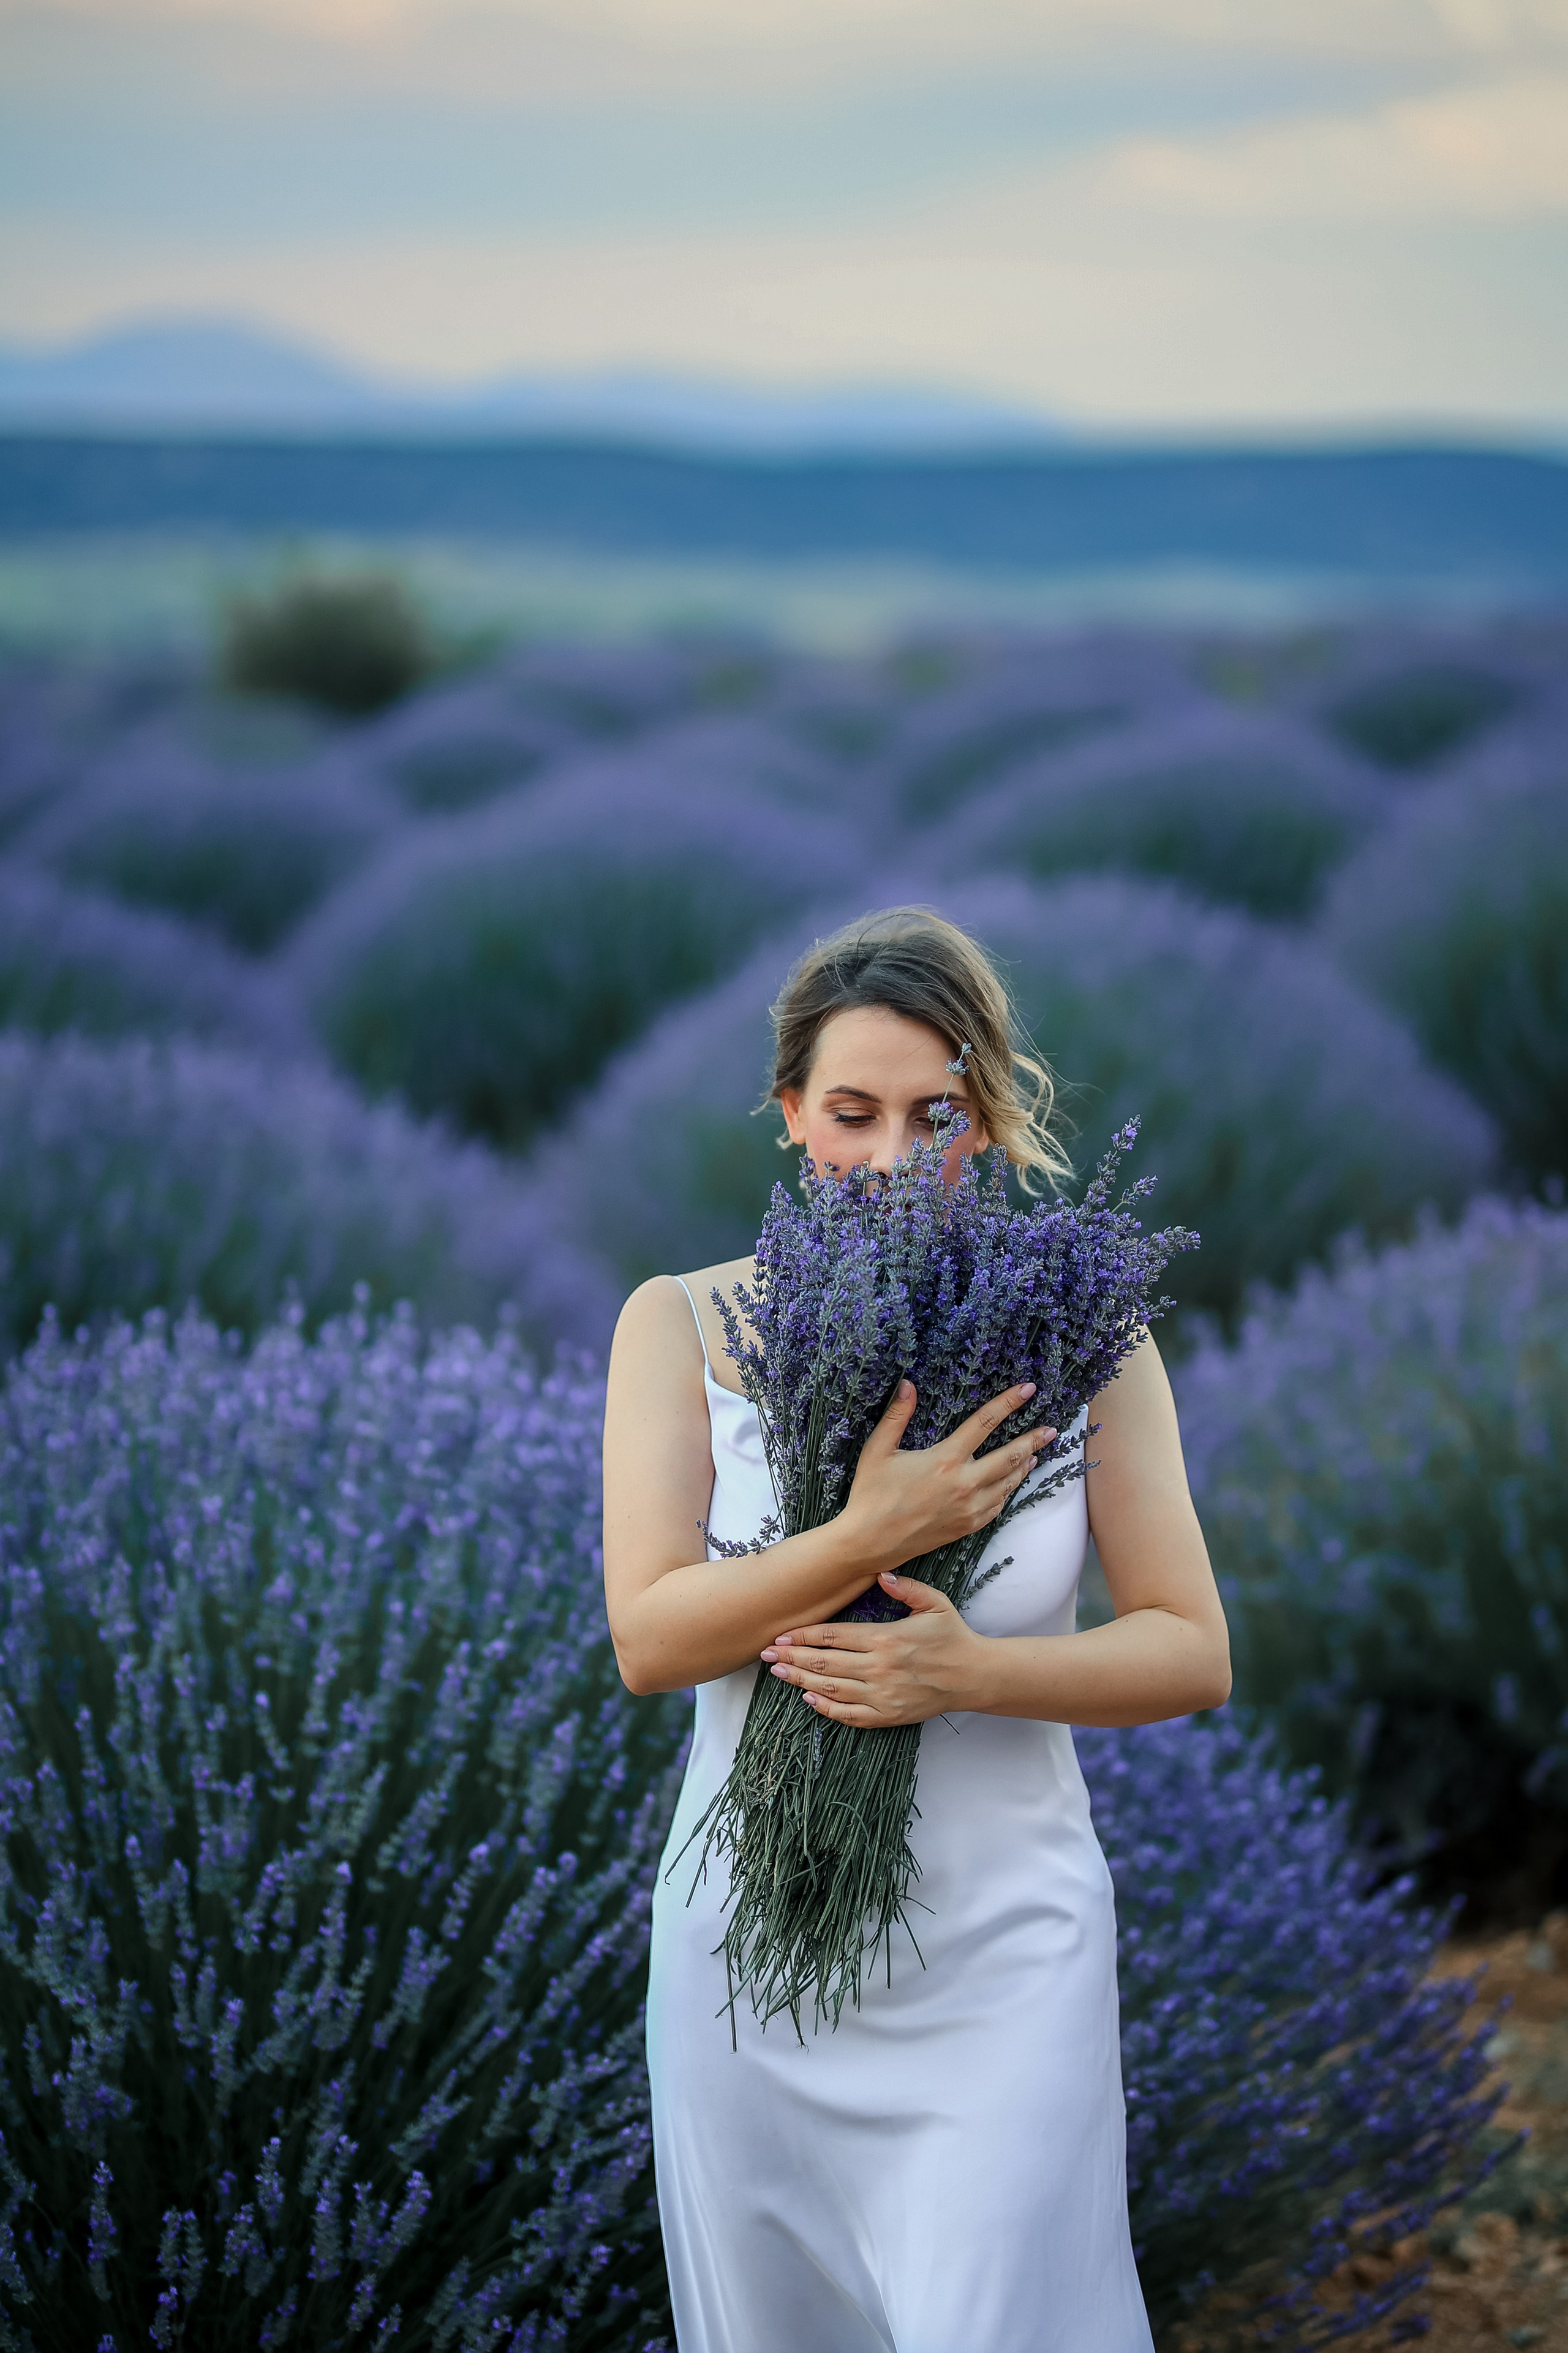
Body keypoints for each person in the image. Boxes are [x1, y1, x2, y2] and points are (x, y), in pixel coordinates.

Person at [602, 904, 1231, 2353]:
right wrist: (867, 1534)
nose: (894, 1156)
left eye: (937, 1113)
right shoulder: (682, 1326)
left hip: (1005, 1957)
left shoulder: (1087, 1339)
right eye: (852, 1111)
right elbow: (650, 1639)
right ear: (786, 1117)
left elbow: (1189, 1647)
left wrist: (974, 1670)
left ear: (991, 1115)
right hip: (749, 1955)